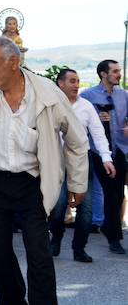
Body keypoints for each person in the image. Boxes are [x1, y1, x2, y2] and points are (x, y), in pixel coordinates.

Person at [0, 37, 88, 305]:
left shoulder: (46, 93)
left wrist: (77, 184)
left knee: (39, 254)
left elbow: (77, 140)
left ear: (14, 62)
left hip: (33, 184)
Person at [49, 68, 115, 262]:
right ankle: (56, 240)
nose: (77, 85)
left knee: (85, 209)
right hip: (57, 160)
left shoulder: (86, 106)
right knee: (59, 206)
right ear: (60, 84)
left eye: (78, 81)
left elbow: (98, 134)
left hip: (81, 160)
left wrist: (106, 158)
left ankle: (79, 248)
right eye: (72, 81)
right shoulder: (51, 106)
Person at [79, 59, 128, 254]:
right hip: (97, 151)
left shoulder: (124, 96)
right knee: (110, 192)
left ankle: (110, 228)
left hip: (120, 151)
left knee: (119, 194)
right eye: (115, 71)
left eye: (119, 71)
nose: (119, 74)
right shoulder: (88, 96)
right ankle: (114, 238)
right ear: (103, 74)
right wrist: (95, 119)